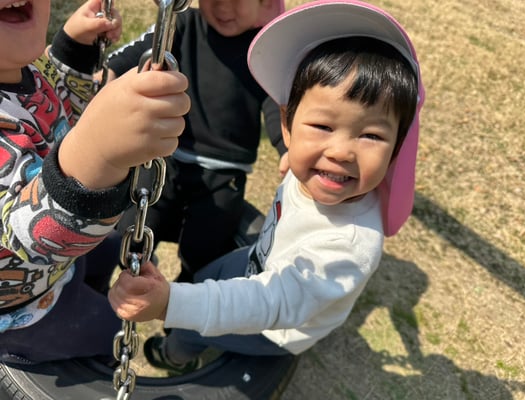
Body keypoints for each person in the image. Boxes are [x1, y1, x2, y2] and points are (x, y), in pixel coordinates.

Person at [108, 0, 425, 373]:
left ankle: (176, 354)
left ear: (397, 148)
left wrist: (170, 304)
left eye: (371, 135)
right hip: (260, 257)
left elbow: (268, 303)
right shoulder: (313, 170)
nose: (340, 152)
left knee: (195, 326)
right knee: (208, 275)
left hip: (277, 326)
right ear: (289, 126)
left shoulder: (349, 246)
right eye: (322, 127)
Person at [0, 0, 190, 364]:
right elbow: (32, 239)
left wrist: (73, 49)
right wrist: (98, 152)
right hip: (24, 308)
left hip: (64, 262)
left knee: (106, 252)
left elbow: (57, 102)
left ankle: (91, 282)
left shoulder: (27, 66)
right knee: (108, 329)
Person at [106, 0, 286, 282]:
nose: (224, 8)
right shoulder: (182, 24)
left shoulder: (264, 49)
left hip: (225, 172)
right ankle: (135, 276)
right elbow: (142, 52)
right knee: (132, 228)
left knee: (205, 250)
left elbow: (276, 106)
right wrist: (110, 73)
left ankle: (185, 290)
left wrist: (287, 149)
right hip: (166, 156)